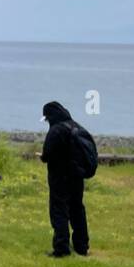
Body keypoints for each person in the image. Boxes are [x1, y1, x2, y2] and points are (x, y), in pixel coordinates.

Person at [40, 101, 91, 257]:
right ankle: (81, 246)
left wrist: (42, 157)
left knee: (59, 210)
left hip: (59, 177)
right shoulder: (76, 127)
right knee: (77, 209)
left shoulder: (56, 131)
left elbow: (47, 154)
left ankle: (61, 248)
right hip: (77, 175)